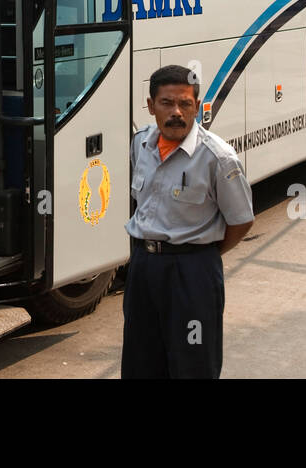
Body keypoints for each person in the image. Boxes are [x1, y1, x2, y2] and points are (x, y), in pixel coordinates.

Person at [123, 64, 255, 379]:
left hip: (193, 275)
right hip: (143, 268)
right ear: (151, 105)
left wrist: (202, 254)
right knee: (141, 362)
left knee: (193, 364)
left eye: (186, 103)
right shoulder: (140, 143)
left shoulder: (217, 158)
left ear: (197, 106)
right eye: (167, 103)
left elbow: (241, 220)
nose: (177, 112)